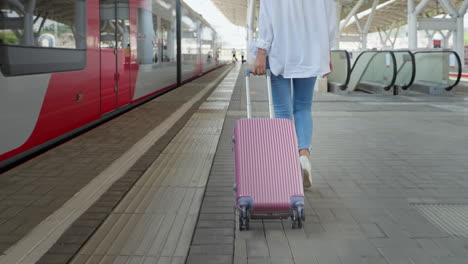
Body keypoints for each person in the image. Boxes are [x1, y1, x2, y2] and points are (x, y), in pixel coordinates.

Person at [253, 0, 336, 188]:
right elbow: (330, 19)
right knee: (303, 107)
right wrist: (327, 53)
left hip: (282, 50)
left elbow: (267, 17)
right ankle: (304, 155)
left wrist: (261, 52)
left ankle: (285, 167)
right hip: (312, 51)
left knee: (283, 111)